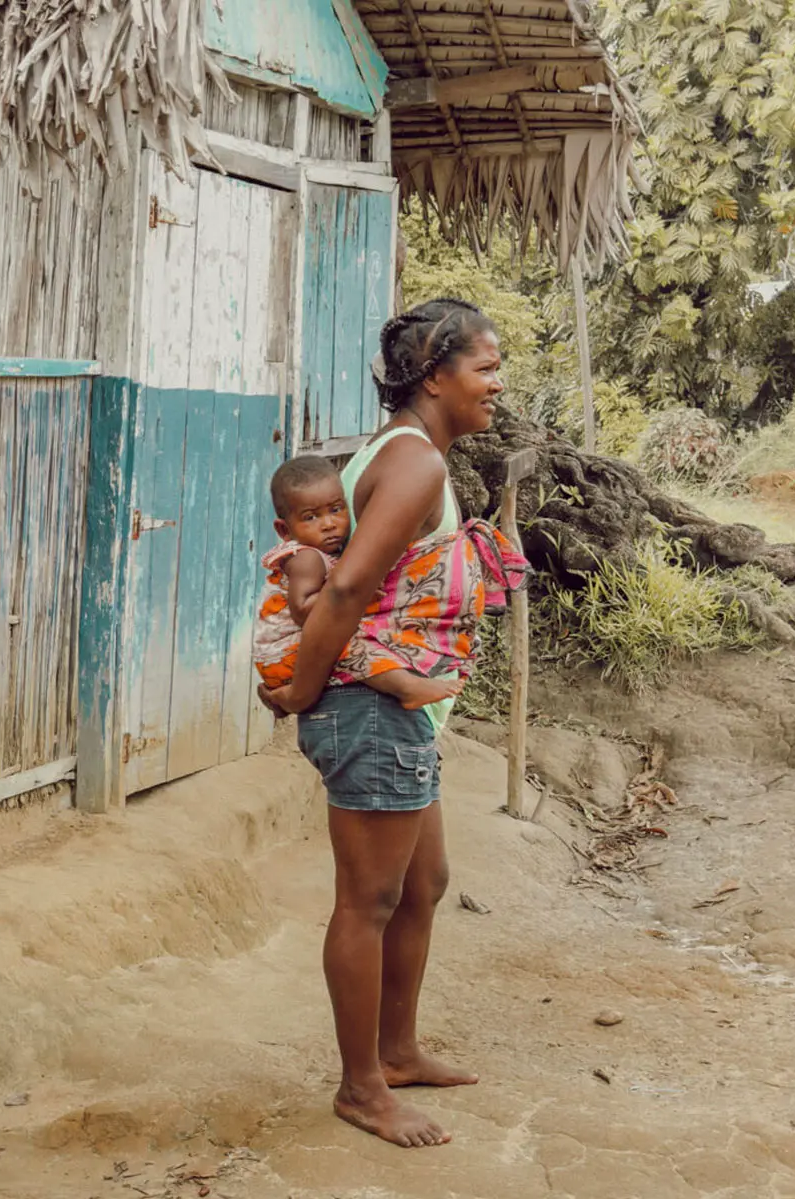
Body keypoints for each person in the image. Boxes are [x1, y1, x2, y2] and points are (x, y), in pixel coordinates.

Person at [259, 298, 514, 1149]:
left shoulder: (398, 453)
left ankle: (397, 1050)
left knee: (424, 880)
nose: (496, 384)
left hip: (396, 711)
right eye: (485, 367)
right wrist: (300, 689)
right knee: (368, 899)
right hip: (368, 708)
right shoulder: (415, 467)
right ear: (436, 375)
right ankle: (362, 1086)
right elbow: (342, 590)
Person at [254, 454, 464, 710]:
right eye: (311, 517)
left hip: (288, 656)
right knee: (350, 642)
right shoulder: (306, 558)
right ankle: (407, 689)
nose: (329, 524)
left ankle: (281, 699)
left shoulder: (325, 554)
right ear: (284, 530)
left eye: (336, 510)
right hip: (284, 654)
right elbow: (301, 611)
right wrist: (355, 592)